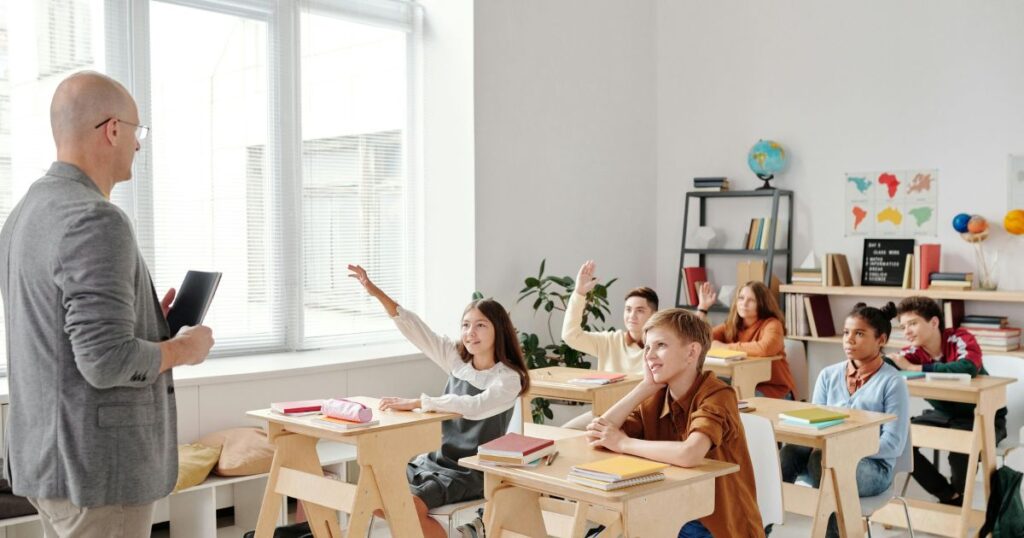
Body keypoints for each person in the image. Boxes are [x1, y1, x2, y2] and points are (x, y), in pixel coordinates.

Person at [0, 71, 214, 537]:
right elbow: (104, 360)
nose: (139, 145)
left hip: (44, 459)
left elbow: (60, 328)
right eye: (138, 131)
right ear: (113, 129)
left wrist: (141, 312)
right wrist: (183, 349)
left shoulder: (25, 214)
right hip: (97, 471)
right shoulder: (96, 219)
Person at [348, 265, 529, 538]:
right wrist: (377, 293)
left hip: (470, 470)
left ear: (499, 330)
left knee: (406, 506)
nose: (470, 332)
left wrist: (421, 402)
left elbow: (475, 407)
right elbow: (417, 330)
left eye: (481, 325)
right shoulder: (458, 362)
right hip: (434, 461)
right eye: (466, 325)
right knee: (373, 496)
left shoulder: (507, 379)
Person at [586, 308, 765, 538]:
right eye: (647, 347)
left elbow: (690, 453)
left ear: (692, 353)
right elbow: (596, 436)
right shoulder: (655, 397)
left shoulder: (719, 394)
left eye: (660, 346)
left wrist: (623, 443)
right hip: (668, 511)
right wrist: (644, 387)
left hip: (713, 524)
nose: (649, 356)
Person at [779, 302, 910, 538]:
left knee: (824, 461)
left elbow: (893, 445)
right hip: (826, 459)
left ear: (881, 340)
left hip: (873, 469)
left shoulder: (893, 382)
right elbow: (813, 425)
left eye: (859, 334)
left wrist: (844, 450)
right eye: (846, 332)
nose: (849, 340)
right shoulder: (828, 375)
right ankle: (757, 529)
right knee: (790, 452)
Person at [891, 296, 1008, 506]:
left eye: (912, 324)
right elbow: (889, 367)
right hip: (944, 416)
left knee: (961, 453)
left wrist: (917, 369)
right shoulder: (912, 353)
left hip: (984, 417)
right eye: (903, 326)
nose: (906, 331)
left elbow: (968, 367)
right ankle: (949, 496)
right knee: (899, 440)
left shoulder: (960, 338)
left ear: (934, 322)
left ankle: (959, 502)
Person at [561, 260, 658, 429]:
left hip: (643, 416)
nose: (632, 316)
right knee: (563, 433)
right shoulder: (610, 340)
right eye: (628, 309)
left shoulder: (661, 346)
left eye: (639, 310)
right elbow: (571, 336)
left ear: (654, 314)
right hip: (604, 412)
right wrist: (579, 293)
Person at [696, 280, 796, 399]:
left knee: (726, 397)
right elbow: (697, 337)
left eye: (751, 300)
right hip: (741, 384)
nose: (744, 303)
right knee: (706, 392)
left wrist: (724, 347)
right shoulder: (731, 326)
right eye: (741, 298)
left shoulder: (773, 324)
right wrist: (702, 308)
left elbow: (765, 349)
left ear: (762, 304)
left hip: (774, 391)